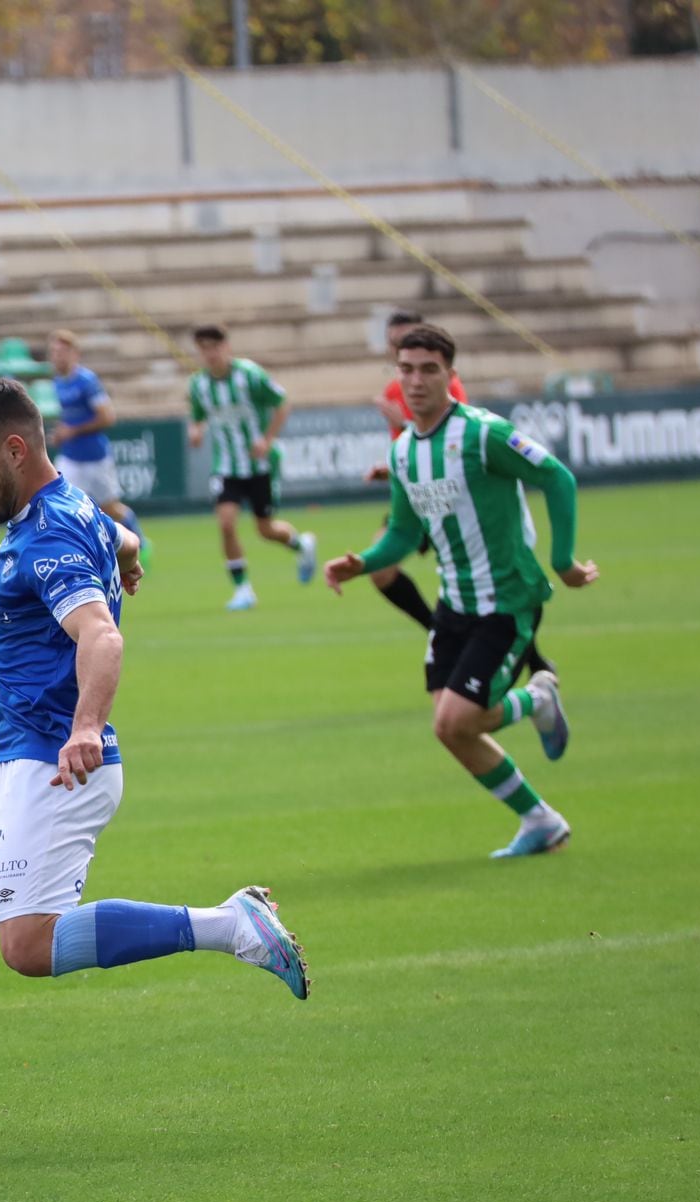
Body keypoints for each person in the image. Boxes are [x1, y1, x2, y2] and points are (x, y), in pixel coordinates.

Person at [0, 379, 310, 1147]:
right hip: (18, 763)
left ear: (16, 449)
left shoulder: (45, 535)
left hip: (56, 764)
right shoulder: (72, 505)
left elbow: (102, 637)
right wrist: (133, 553)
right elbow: (120, 538)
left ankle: (230, 926)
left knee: (27, 947)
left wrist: (86, 727)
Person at [323, 324, 597, 859]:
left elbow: (557, 477)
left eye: (429, 369)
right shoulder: (404, 452)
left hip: (507, 600)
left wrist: (563, 560)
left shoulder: (483, 433)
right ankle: (540, 820)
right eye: (407, 370)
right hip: (455, 603)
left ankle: (538, 699)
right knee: (450, 729)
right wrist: (363, 563)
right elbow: (403, 531)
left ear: (451, 374)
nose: (417, 380)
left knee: (458, 719)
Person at [364, 308, 556, 680]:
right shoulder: (395, 388)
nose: (399, 350)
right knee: (382, 571)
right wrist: (389, 468)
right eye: (394, 344)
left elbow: (454, 436)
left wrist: (400, 420)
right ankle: (440, 628)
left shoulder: (442, 384)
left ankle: (529, 659)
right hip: (421, 496)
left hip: (456, 495)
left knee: (484, 582)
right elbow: (415, 448)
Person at [185, 323, 317, 611]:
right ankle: (243, 589)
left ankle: (301, 545)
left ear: (226, 347)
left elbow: (282, 403)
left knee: (266, 529)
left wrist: (267, 440)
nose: (210, 354)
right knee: (226, 524)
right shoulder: (198, 385)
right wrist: (195, 431)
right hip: (226, 467)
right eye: (203, 349)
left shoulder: (250, 376)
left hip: (259, 465)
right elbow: (197, 416)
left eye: (214, 347)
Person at [46, 329, 147, 567]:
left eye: (61, 352)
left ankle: (139, 541)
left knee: (110, 508)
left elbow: (107, 417)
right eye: (53, 352)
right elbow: (69, 418)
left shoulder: (86, 381)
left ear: (74, 353)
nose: (57, 357)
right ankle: (72, 558)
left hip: (94, 456)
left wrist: (73, 431)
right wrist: (62, 434)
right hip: (70, 457)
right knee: (61, 505)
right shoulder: (58, 382)